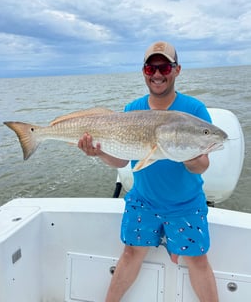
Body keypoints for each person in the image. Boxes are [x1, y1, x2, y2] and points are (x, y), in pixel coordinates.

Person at [78, 41, 219, 302]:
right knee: (131, 253)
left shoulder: (194, 110)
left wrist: (189, 156)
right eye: (150, 68)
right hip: (143, 201)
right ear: (143, 71)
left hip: (186, 203)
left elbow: (203, 164)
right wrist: (98, 152)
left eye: (164, 67)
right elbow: (121, 162)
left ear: (177, 70)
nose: (157, 74)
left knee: (198, 260)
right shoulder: (132, 110)